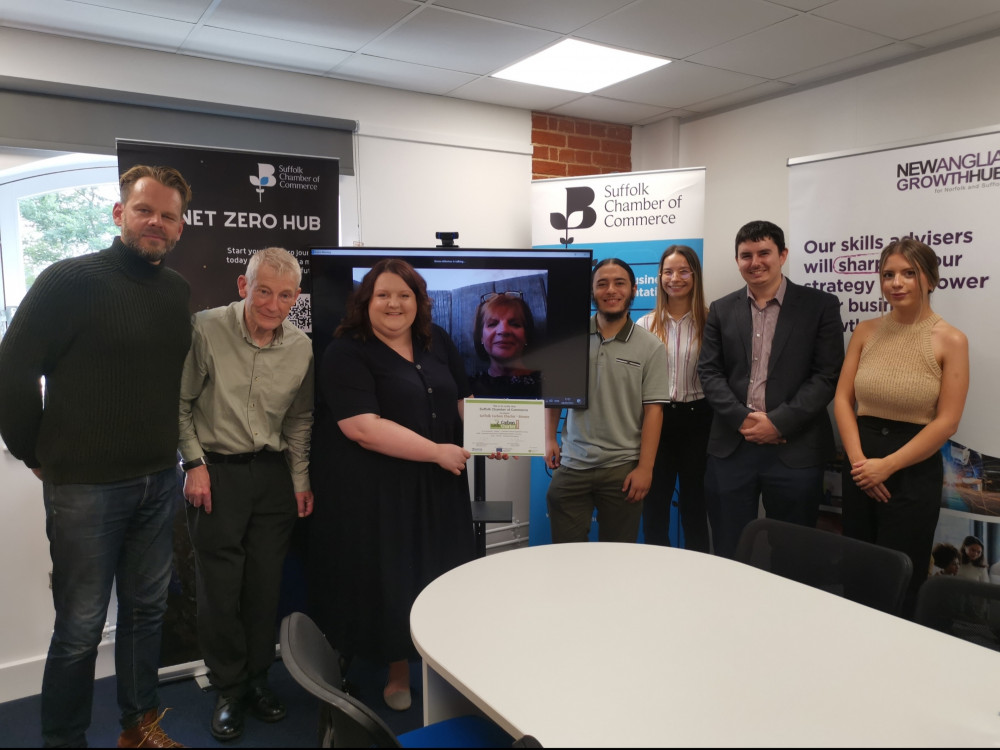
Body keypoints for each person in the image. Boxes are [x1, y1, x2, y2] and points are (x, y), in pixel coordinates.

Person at [0, 165, 192, 748]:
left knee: (146, 614)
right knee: (81, 630)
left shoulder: (178, 291)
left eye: (169, 215)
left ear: (181, 227)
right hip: (85, 489)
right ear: (119, 214)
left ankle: (139, 727)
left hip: (159, 480)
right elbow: (12, 368)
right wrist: (32, 450)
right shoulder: (70, 281)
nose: (156, 223)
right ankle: (65, 741)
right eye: (145, 210)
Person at [309, 258, 475, 712]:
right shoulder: (346, 352)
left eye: (404, 295)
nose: (393, 304)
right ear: (366, 302)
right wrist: (438, 450)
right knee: (395, 577)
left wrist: (491, 435)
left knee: (442, 570)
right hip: (382, 492)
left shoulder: (436, 341)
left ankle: (448, 663)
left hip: (441, 487)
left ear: (418, 302)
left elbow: (462, 400)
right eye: (382, 294)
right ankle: (397, 668)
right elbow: (362, 427)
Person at [178, 247, 314, 741]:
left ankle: (259, 679)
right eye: (263, 291)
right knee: (219, 590)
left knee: (263, 587)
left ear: (296, 298)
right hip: (215, 473)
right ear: (243, 286)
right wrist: (193, 464)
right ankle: (229, 688)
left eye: (284, 295)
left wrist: (299, 480)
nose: (272, 304)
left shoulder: (301, 347)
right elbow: (180, 402)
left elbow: (300, 419)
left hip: (272, 478)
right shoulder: (205, 329)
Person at [834, 238, 969, 618]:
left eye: (909, 273)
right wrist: (861, 463)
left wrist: (887, 465)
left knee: (902, 574)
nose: (897, 282)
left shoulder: (951, 340)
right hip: (861, 463)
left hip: (912, 466)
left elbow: (947, 421)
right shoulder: (865, 331)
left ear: (930, 279)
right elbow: (844, 400)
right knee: (857, 566)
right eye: (888, 274)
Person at [698, 220, 844, 559]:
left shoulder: (820, 306)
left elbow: (826, 376)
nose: (755, 262)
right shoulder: (721, 309)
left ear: (783, 255)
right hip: (732, 447)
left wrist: (778, 423)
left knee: (794, 551)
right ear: (737, 260)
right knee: (728, 546)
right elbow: (709, 372)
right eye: (746, 255)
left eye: (764, 252)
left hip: (795, 449)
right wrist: (743, 420)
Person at [544, 258, 669, 543]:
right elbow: (555, 395)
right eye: (602, 284)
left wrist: (645, 469)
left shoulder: (651, 347)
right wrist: (549, 438)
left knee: (617, 561)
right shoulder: (569, 338)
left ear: (634, 290)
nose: (610, 290)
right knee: (567, 557)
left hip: (623, 470)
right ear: (591, 291)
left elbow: (654, 412)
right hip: (573, 463)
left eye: (619, 283)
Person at [637, 245, 712, 551]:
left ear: (694, 276)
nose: (675, 278)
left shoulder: (711, 323)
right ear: (659, 277)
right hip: (658, 420)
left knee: (696, 507)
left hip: (700, 420)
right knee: (654, 506)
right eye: (668, 272)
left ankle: (699, 578)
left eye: (683, 271)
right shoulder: (645, 325)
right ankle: (658, 579)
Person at [469, 291, 542, 398]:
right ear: (481, 337)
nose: (503, 331)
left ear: (526, 335)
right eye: (493, 324)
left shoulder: (549, 383)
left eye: (515, 324)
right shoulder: (466, 389)